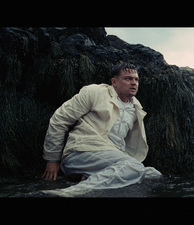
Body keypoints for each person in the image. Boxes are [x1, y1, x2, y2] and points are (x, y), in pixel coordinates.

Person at [41, 62, 161, 197]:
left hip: (110, 157)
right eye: (128, 78)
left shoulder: (136, 107)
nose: (134, 83)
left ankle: (91, 177)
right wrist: (52, 159)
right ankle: (72, 192)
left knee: (153, 175)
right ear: (114, 82)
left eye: (136, 79)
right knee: (135, 167)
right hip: (82, 151)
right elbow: (59, 119)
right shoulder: (95, 92)